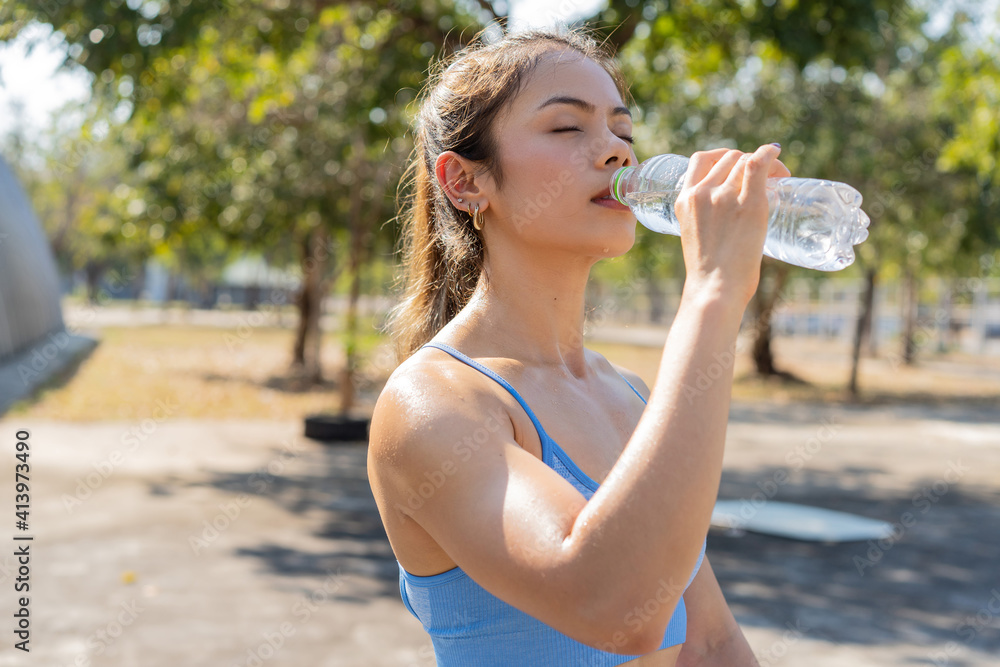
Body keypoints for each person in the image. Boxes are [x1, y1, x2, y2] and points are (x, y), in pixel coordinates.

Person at [367, 26, 788, 666]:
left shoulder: (630, 394)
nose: (616, 152)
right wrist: (712, 293)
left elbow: (708, 643)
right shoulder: (432, 402)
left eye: (622, 131)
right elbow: (614, 610)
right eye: (568, 129)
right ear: (466, 182)